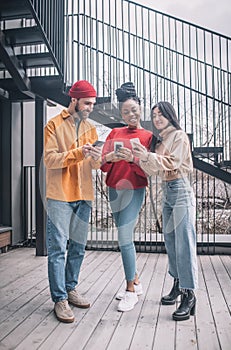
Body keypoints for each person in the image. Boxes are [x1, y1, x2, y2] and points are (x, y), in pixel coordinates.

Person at [132, 101, 198, 321]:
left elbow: (173, 162)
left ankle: (189, 295)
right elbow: (153, 169)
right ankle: (178, 284)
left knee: (184, 243)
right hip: (167, 191)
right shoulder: (159, 141)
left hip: (180, 189)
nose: (157, 118)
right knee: (171, 241)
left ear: (170, 115)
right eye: (154, 115)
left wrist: (150, 158)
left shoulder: (179, 136)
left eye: (161, 114)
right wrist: (142, 156)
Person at [44, 80, 102, 323]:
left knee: (77, 248)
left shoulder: (91, 129)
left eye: (93, 103)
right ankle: (59, 299)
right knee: (58, 248)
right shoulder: (53, 125)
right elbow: (50, 160)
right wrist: (79, 153)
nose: (90, 107)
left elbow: (95, 165)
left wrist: (100, 158)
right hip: (59, 195)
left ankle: (70, 289)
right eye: (87, 103)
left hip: (84, 195)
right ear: (74, 99)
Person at [100, 82, 153, 312]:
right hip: (114, 188)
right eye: (125, 112)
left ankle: (130, 290)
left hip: (134, 189)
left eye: (134, 110)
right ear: (121, 114)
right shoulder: (114, 132)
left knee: (124, 236)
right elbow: (102, 164)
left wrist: (135, 158)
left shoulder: (149, 136)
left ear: (140, 108)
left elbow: (151, 169)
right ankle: (136, 281)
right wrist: (111, 156)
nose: (130, 114)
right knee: (123, 237)